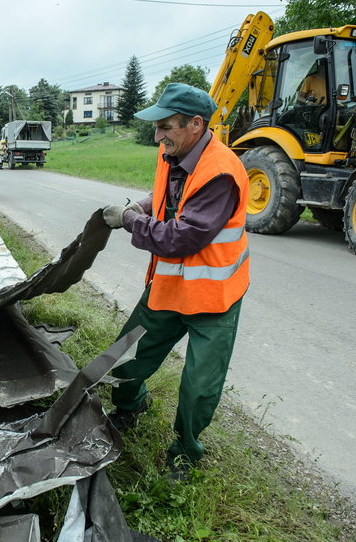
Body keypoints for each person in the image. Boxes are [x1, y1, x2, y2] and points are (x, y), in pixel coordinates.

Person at [101, 83, 250, 481]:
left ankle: (185, 451)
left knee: (199, 386)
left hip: (213, 298)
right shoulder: (173, 152)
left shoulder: (221, 172)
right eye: (157, 127)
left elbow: (181, 238)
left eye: (166, 126)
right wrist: (143, 205)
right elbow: (167, 196)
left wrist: (129, 219)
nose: (157, 135)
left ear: (196, 124)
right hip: (168, 289)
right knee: (126, 357)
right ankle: (129, 407)